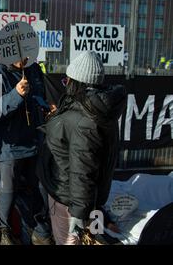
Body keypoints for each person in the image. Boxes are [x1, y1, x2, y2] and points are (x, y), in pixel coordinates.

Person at [37, 51, 126, 245]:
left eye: (67, 80)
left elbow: (82, 170)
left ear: (77, 82)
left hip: (69, 202)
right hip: (85, 200)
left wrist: (77, 215)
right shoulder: (98, 112)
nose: (65, 83)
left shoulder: (83, 121)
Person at [0, 57, 47, 245]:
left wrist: (46, 107)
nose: (25, 59)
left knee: (40, 188)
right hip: (10, 145)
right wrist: (16, 94)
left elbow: (41, 96)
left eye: (28, 55)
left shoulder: (35, 69)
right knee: (8, 190)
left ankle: (41, 231)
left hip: (34, 140)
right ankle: (4, 233)